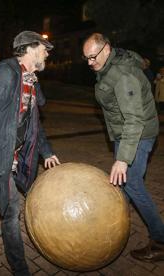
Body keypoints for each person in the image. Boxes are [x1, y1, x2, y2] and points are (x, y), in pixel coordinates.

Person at [0, 30, 60, 275]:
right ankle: (20, 269)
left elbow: (34, 123)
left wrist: (46, 151)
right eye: (43, 47)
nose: (47, 52)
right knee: (12, 210)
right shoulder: (4, 75)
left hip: (12, 151)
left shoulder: (28, 79)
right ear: (29, 48)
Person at [83, 33, 164, 262]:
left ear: (106, 49)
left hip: (138, 134)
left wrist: (122, 159)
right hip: (125, 133)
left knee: (132, 183)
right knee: (122, 183)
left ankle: (160, 240)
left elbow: (134, 120)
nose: (89, 63)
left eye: (92, 57)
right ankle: (116, 226)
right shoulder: (109, 65)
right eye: (86, 58)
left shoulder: (122, 75)